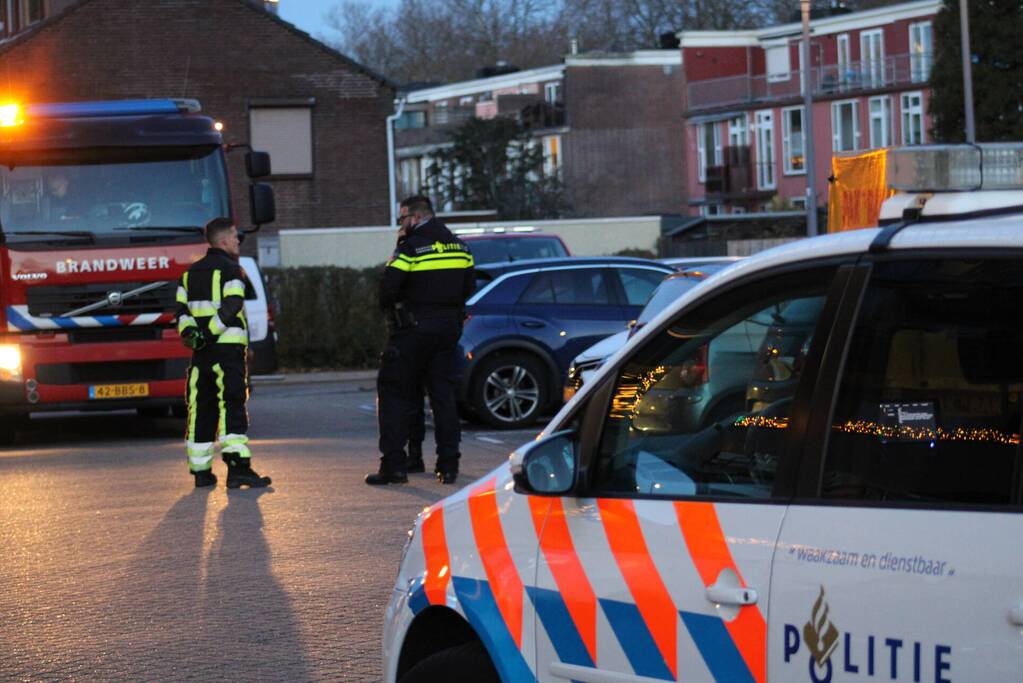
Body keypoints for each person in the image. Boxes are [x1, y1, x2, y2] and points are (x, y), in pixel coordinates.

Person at [367, 195, 475, 486]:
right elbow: (468, 288)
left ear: (415, 218)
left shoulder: (410, 248)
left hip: (411, 333)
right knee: (443, 397)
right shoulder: (461, 247)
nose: (400, 224)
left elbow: (387, 291)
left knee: (395, 394)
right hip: (447, 333)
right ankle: (448, 466)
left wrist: (397, 251)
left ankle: (394, 466)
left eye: (402, 219)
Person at [175, 218, 271, 489]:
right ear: (223, 240)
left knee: (201, 408)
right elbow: (232, 305)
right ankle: (238, 468)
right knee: (232, 405)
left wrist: (194, 335)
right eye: (234, 237)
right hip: (227, 352)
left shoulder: (189, 274)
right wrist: (210, 332)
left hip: (200, 354)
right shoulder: (232, 270)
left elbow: (181, 312)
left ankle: (201, 471)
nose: (238, 240)